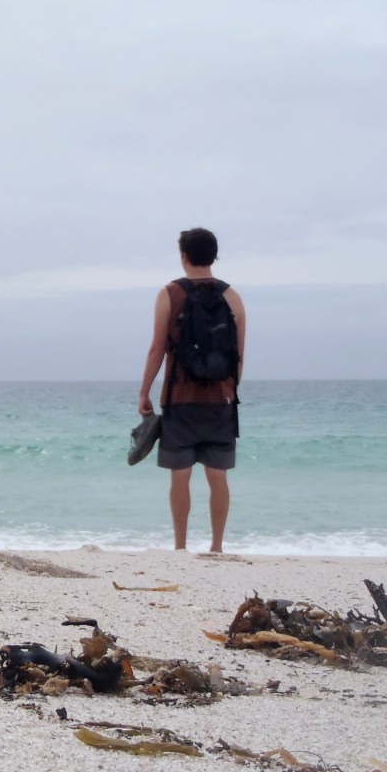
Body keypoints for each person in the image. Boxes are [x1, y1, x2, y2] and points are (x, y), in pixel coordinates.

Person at [138, 228, 246, 553]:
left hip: (179, 399)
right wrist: (229, 389)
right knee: (218, 476)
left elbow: (157, 349)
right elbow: (239, 355)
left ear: (183, 256)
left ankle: (181, 546)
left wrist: (144, 392)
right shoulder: (232, 297)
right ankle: (216, 546)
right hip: (221, 400)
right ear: (214, 256)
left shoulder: (169, 294)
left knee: (180, 476)